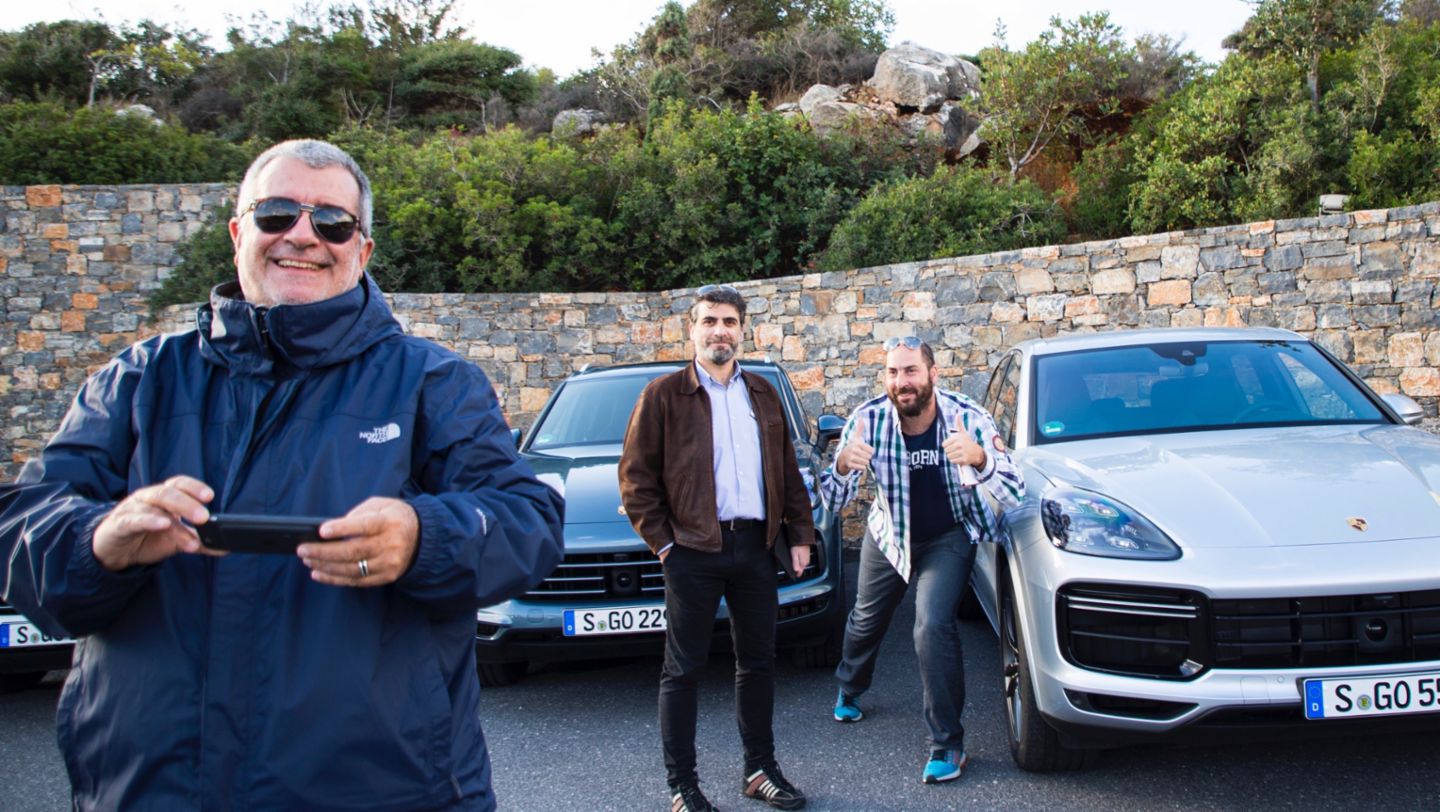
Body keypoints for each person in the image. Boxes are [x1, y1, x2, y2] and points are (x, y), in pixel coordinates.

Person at [0, 139, 564, 811]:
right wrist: (101, 538)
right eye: (276, 214)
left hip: (385, 791)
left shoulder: (434, 383)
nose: (302, 235)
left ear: (361, 250)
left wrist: (425, 535)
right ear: (238, 232)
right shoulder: (138, 380)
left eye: (331, 222)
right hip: (151, 792)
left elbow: (526, 523)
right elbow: (21, 531)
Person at [618, 284, 814, 812]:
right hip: (692, 553)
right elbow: (636, 482)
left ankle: (760, 770)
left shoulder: (763, 395)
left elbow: (787, 472)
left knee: (758, 663)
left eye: (729, 321)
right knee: (682, 670)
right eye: (709, 321)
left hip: (755, 548)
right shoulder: (662, 396)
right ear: (692, 330)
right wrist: (664, 546)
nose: (719, 331)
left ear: (742, 330)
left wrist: (800, 534)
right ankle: (682, 786)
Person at [819, 336, 1023, 785]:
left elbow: (1015, 490)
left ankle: (947, 745)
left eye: (911, 371)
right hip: (890, 534)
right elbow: (830, 504)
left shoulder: (967, 417)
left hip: (949, 535)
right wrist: (840, 469)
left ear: (933, 374)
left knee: (932, 624)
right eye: (893, 372)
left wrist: (982, 459)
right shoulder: (867, 420)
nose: (901, 382)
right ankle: (851, 686)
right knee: (866, 620)